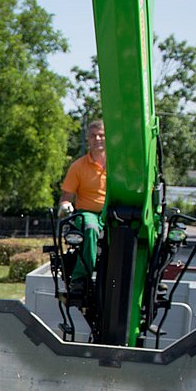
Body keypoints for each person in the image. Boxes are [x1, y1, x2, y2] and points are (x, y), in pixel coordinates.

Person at [57, 120, 106, 285]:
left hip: (111, 213)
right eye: (93, 136)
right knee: (90, 228)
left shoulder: (118, 166)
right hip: (87, 213)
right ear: (88, 140)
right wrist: (64, 206)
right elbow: (66, 196)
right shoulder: (78, 166)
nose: (97, 139)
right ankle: (80, 277)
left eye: (101, 135)